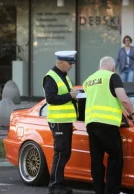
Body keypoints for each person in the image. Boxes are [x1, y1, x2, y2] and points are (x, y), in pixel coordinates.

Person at [83, 56, 134, 194]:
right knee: (115, 157)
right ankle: (112, 191)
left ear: (99, 66)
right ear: (113, 67)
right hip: (107, 123)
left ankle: (99, 190)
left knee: (96, 159)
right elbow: (123, 99)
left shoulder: (88, 80)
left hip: (91, 124)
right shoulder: (113, 76)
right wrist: (133, 113)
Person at [42, 50, 79, 194]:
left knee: (64, 153)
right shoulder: (51, 77)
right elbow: (50, 98)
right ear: (61, 62)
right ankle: (55, 186)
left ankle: (59, 184)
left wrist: (73, 98)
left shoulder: (63, 77)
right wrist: (69, 96)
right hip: (58, 121)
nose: (71, 66)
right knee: (61, 152)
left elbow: (64, 98)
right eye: (70, 63)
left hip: (65, 121)